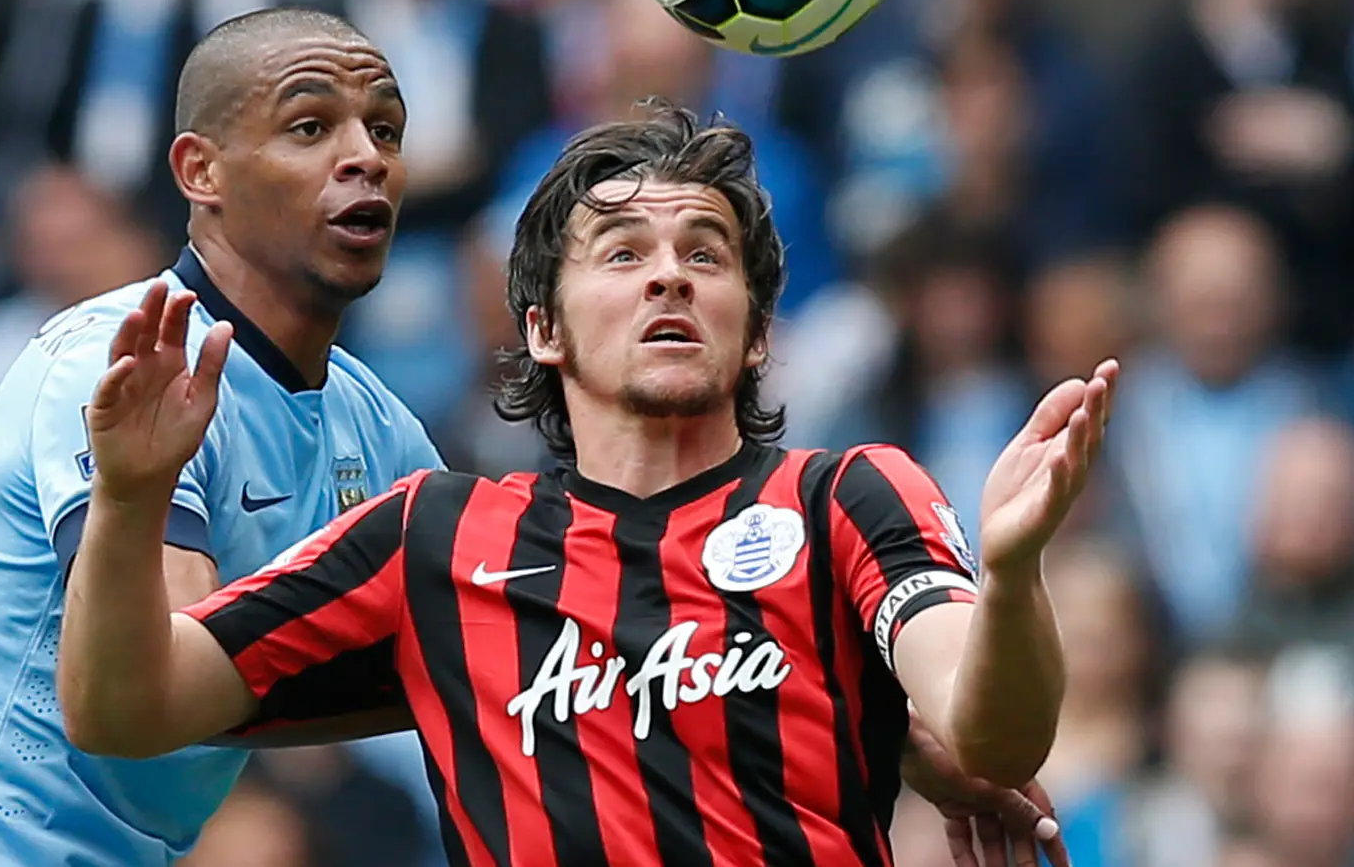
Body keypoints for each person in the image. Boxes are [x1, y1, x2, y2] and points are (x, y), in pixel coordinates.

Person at [60, 104, 1113, 866]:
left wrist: (1015, 572)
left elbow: (994, 738)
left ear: (753, 336)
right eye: (622, 253)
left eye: (706, 253)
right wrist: (130, 499)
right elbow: (123, 706)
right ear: (543, 331)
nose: (669, 274)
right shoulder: (433, 536)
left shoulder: (847, 499)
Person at [0, 8, 446, 865]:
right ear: (202, 172)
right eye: (310, 127)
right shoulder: (115, 364)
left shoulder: (376, 427)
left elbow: (481, 638)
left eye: (384, 128)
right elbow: (160, 672)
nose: (366, 156)